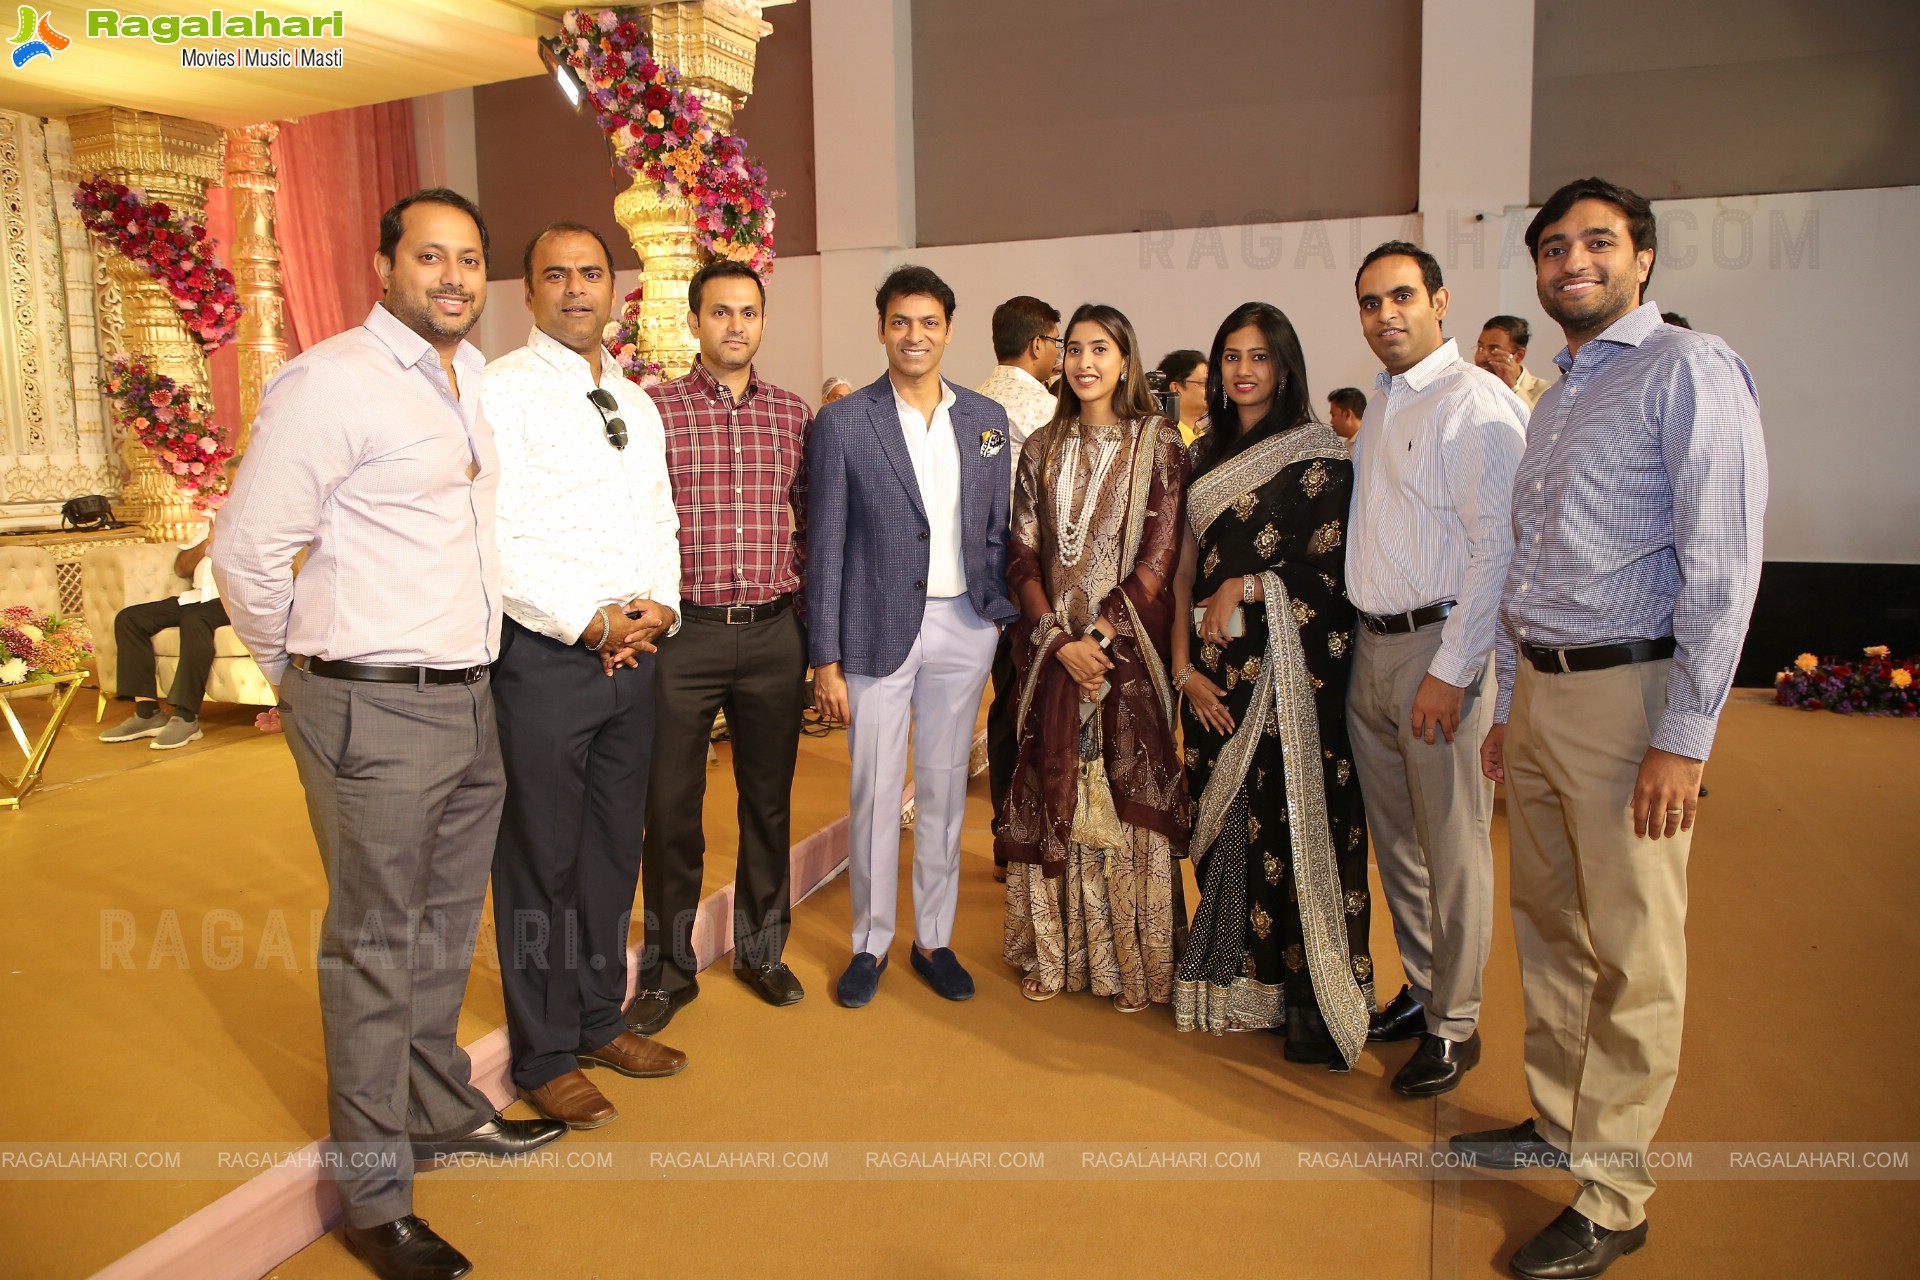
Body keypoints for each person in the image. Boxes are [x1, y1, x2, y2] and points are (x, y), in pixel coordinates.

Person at [213, 188, 565, 1280]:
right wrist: (302, 675)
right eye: (429, 257)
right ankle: (374, 1194)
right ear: (384, 265)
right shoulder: (331, 383)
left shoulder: (463, 381)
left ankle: (436, 1105)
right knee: (373, 947)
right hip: (370, 696)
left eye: (468, 259)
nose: (452, 277)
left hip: (467, 695)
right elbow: (245, 551)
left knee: (440, 930)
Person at [1455, 177, 1767, 1280]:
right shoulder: (1558, 393)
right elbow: (1525, 561)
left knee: (1634, 952)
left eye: (1596, 241)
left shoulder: (1690, 370)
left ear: (1642, 258)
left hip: (1632, 702)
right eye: (1552, 246)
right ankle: (1555, 1119)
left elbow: (1724, 569)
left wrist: (1685, 737)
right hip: (1541, 695)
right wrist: (1507, 699)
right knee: (1549, 928)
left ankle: (1615, 1189)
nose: (1570, 260)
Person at [482, 221, 688, 1131]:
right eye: (555, 275)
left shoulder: (636, 400)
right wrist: (589, 620)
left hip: (635, 661)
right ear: (527, 292)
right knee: (540, 861)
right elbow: (495, 536)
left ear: (616, 288)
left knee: (611, 850)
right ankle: (544, 1052)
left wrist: (662, 607)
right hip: (545, 660)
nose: (576, 289)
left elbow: (661, 519)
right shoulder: (499, 393)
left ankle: (601, 1016)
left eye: (592, 274)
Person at [807, 264, 1020, 1009]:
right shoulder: (843, 422)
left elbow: (1000, 526)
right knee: (872, 792)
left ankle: (933, 939)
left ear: (949, 330)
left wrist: (997, 613)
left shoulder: (986, 422)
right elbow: (825, 544)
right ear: (881, 329)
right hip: (873, 629)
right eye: (901, 322)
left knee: (942, 791)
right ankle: (869, 943)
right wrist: (824, 658)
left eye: (929, 323)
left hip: (965, 625)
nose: (915, 336)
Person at [1169, 301, 1372, 1070]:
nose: (1243, 371)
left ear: (1284, 366)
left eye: (1258, 356)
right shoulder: (1201, 456)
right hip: (1214, 677)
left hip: (1294, 678)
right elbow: (1184, 576)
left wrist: (1252, 587)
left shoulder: (1322, 455)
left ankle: (1309, 1003)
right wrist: (1184, 669)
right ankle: (1229, 982)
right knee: (1226, 823)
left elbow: (1334, 576)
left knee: (1293, 822)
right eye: (1230, 357)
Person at [1345, 241, 1526, 1098]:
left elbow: (1498, 550)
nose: (1387, 315)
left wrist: (1453, 671)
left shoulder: (1475, 404)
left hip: (1439, 650)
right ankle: (1421, 993)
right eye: (1372, 302)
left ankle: (1457, 1024)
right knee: (1401, 850)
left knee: (1453, 851)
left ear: (1441, 301)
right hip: (1373, 649)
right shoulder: (1383, 404)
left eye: (1403, 297)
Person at [630, 257, 815, 1035]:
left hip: (773, 633)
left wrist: (799, 603)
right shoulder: (655, 411)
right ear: (694, 321)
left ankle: (761, 951)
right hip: (684, 636)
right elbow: (633, 515)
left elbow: (812, 513)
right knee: (670, 808)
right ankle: (669, 970)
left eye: (748, 312)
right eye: (720, 312)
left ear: (762, 322)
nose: (735, 325)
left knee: (767, 805)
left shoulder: (793, 413)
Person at [997, 303, 1189, 1010]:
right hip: (1052, 655)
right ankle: (1062, 953)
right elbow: (1020, 552)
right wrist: (1057, 640)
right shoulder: (1040, 448)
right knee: (1054, 785)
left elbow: (1159, 554)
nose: (1083, 362)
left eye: (1099, 349)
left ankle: (1132, 966)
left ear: (1125, 359)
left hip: (1125, 655)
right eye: (1073, 348)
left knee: (1121, 793)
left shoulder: (1157, 441)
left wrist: (1101, 639)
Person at [976, 294, 1062, 882]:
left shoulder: (972, 406)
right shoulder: (1052, 416)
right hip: (1044, 586)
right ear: (1039, 344)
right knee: (1045, 712)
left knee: (1007, 712)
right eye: (1059, 341)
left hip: (989, 587)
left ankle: (1008, 841)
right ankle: (1047, 837)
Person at [98, 516, 228, 750]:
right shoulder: (213, 521)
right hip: (196, 597)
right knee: (130, 618)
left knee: (195, 619)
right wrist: (207, 542)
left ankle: (186, 717)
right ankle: (147, 713)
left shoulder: (266, 519)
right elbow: (182, 568)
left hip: (235, 599)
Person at [1474, 316, 1551, 409]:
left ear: (1519, 356)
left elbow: (1536, 422)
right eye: (1480, 348)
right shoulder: (1473, 387)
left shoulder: (1548, 392)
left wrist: (1513, 387)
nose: (1482, 356)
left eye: (1493, 350)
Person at [1156, 349, 1210, 446]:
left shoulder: (1205, 437)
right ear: (1175, 388)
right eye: (1204, 383)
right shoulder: (1165, 437)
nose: (1211, 390)